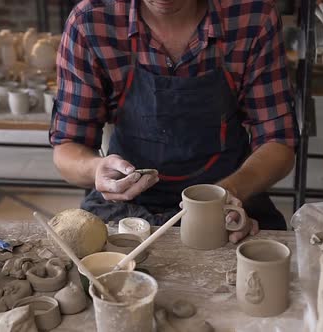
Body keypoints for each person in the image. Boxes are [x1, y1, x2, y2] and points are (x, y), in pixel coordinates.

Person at [50, 0, 298, 244]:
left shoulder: (252, 16)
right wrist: (95, 169)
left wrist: (230, 192)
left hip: (230, 195)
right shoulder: (91, 22)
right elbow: (68, 148)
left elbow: (279, 142)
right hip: (129, 203)